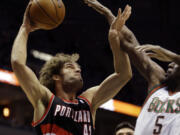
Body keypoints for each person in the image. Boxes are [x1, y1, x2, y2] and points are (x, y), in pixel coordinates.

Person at [11, 0, 132, 134]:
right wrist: (25, 28)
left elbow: (123, 75)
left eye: (78, 68)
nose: (78, 70)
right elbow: (18, 63)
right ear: (56, 76)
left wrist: (115, 40)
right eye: (70, 66)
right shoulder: (45, 100)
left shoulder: (89, 101)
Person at [84, 0, 180, 134]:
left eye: (175, 65)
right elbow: (129, 42)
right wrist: (108, 14)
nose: (170, 64)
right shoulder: (158, 81)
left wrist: (172, 56)